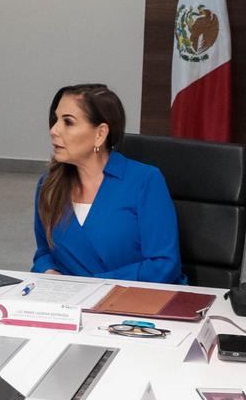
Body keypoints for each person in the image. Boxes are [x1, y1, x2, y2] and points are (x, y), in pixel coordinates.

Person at [32, 84, 183, 283]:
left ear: (100, 134)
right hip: (70, 299)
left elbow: (164, 265)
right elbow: (44, 252)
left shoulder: (145, 181)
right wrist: (48, 272)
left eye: (68, 122)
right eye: (56, 120)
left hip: (136, 296)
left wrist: (92, 287)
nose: (53, 130)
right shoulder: (49, 185)